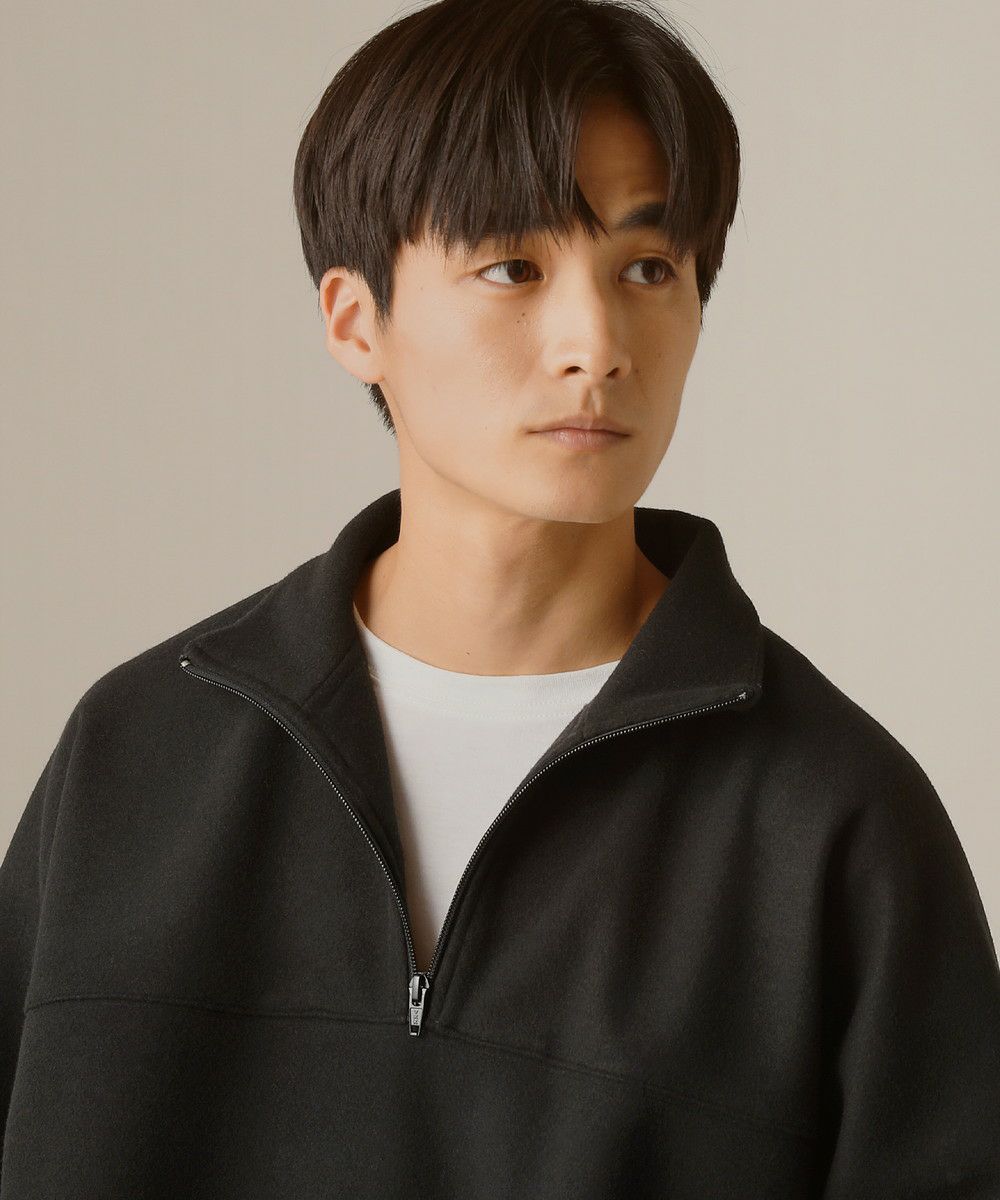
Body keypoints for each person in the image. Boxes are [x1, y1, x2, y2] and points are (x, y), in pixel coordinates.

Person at [3, 0, 999, 1195]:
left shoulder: (835, 822)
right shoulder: (137, 754)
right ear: (355, 321)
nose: (596, 343)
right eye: (511, 267)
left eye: (647, 268)